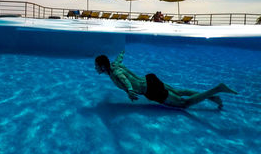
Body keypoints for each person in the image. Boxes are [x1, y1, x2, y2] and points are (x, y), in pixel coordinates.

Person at [95, 51, 237, 109]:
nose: (96, 69)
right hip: (150, 79)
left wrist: (130, 90)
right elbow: (120, 58)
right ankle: (213, 98)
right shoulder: (115, 64)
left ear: (102, 66)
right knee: (180, 92)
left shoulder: (114, 73)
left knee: (184, 103)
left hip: (151, 90)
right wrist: (122, 51)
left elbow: (123, 78)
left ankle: (218, 88)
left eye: (97, 66)